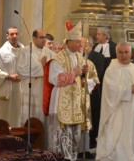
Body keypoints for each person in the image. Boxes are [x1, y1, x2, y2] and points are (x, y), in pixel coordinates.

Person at [44, 21, 98, 161]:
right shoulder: (57, 59)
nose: (80, 45)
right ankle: (59, 157)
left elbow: (90, 79)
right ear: (68, 42)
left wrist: (85, 74)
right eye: (77, 42)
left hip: (76, 102)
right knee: (61, 133)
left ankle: (72, 157)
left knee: (74, 133)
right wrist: (74, 73)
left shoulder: (80, 57)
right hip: (61, 100)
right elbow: (54, 79)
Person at [96, 42, 134, 161]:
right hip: (118, 111)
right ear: (116, 53)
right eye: (120, 52)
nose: (123, 55)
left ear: (131, 53)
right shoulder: (112, 69)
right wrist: (129, 89)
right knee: (119, 139)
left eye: (126, 52)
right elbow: (110, 89)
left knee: (133, 136)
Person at [17, 29, 55, 125]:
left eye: (45, 37)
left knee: (41, 113)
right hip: (29, 86)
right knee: (28, 113)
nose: (44, 40)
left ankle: (41, 137)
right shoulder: (25, 51)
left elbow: (53, 70)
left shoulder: (50, 53)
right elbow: (21, 71)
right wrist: (41, 66)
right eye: (41, 37)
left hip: (43, 87)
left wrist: (44, 67)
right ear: (34, 38)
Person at [0, 26, 24, 127]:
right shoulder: (1, 52)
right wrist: (8, 76)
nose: (14, 36)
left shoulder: (24, 50)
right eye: (11, 34)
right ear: (7, 36)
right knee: (4, 116)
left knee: (17, 116)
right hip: (6, 89)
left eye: (16, 34)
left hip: (20, 89)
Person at [80, 37, 104, 151]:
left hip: (92, 93)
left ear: (88, 44)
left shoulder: (98, 57)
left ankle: (91, 143)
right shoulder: (77, 57)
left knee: (93, 117)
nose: (80, 45)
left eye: (81, 43)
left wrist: (86, 78)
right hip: (79, 94)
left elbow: (98, 74)